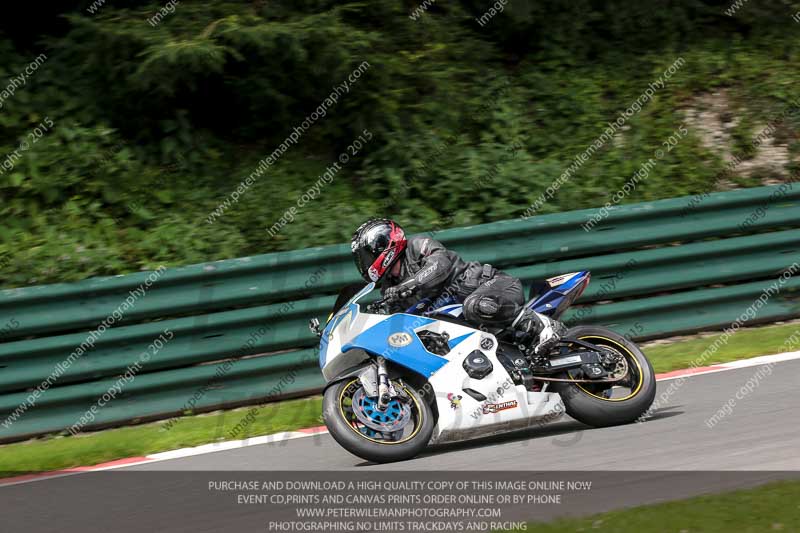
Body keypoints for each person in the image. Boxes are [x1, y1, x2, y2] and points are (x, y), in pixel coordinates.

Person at [350, 218, 566, 356]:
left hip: (491, 286)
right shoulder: (390, 289)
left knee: (473, 305)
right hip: (467, 324)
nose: (366, 262)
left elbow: (440, 264)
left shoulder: (416, 246)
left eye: (367, 255)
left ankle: (544, 325)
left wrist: (410, 284)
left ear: (383, 245)